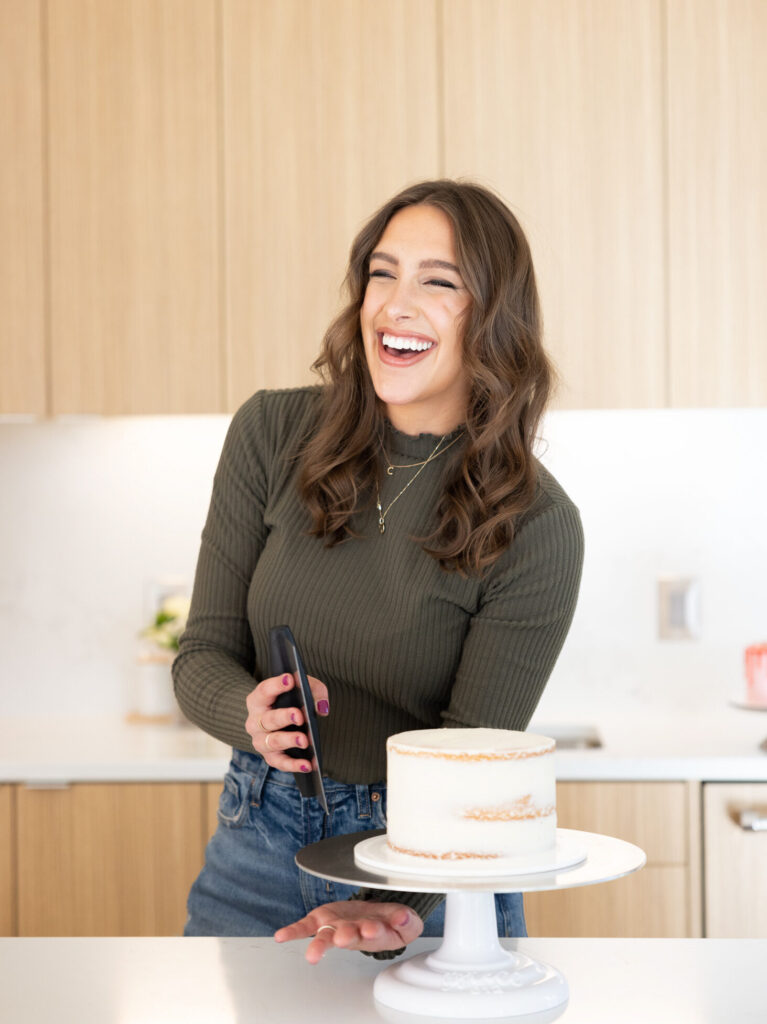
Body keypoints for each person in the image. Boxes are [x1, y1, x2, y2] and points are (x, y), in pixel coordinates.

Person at [173, 179, 584, 964]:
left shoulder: (536, 525)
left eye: (439, 282)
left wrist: (394, 904)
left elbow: (473, 762)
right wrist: (249, 716)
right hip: (255, 842)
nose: (396, 303)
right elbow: (202, 656)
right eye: (381, 272)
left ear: (494, 318)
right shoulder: (271, 432)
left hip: (433, 867)